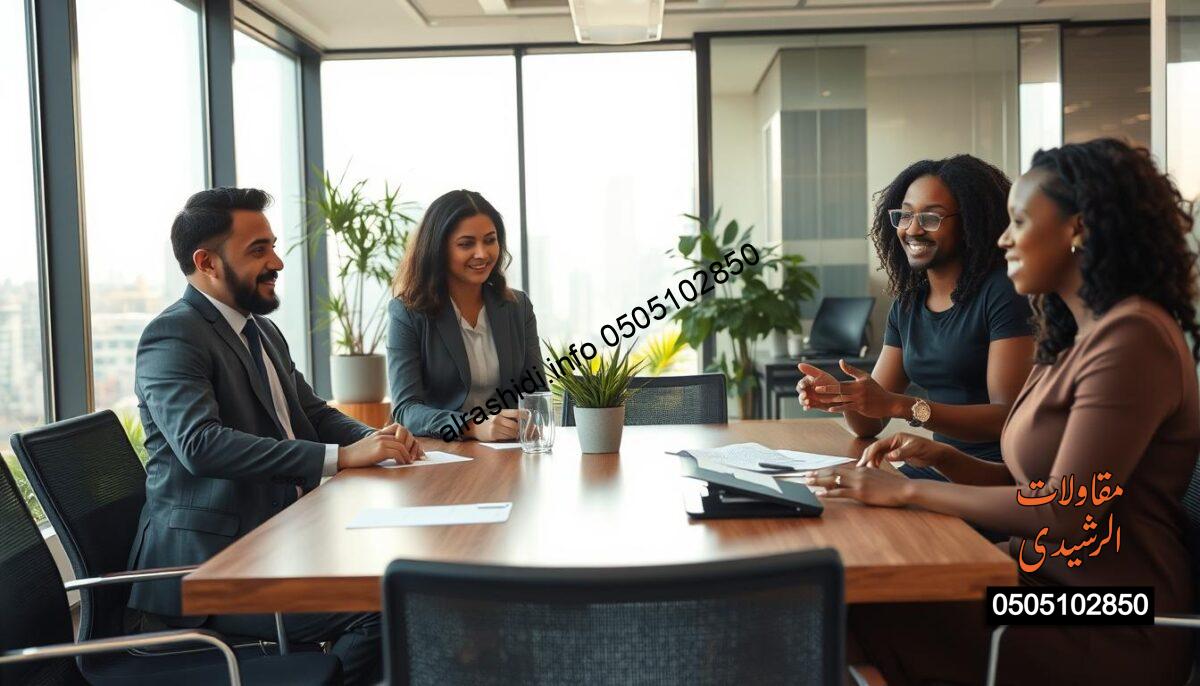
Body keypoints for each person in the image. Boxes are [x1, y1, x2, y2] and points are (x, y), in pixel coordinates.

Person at [807, 139, 1200, 685]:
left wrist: (907, 489)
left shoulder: (1133, 337)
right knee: (848, 608)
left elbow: (1066, 511)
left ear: (1078, 228)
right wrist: (942, 457)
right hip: (1035, 583)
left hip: (1112, 613)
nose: (1002, 238)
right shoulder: (1070, 337)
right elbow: (1026, 482)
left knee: (854, 614)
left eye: (1018, 221)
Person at [127, 188, 423, 685]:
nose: (277, 262)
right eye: (257, 251)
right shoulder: (173, 335)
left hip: (278, 544)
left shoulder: (260, 331)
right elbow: (201, 445)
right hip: (211, 576)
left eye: (272, 245)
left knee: (399, 582)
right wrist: (341, 457)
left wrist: (380, 439)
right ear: (207, 262)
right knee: (390, 606)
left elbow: (311, 412)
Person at [798, 155, 1034, 476]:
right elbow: (870, 423)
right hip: (936, 464)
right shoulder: (909, 304)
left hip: (992, 475)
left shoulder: (1003, 293)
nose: (912, 229)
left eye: (931, 218)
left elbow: (1007, 419)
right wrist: (846, 398)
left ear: (971, 222)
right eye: (905, 215)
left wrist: (903, 406)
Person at [388, 190, 544, 442]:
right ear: (438, 249)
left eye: (490, 240)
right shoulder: (407, 312)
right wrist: (471, 425)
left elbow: (536, 393)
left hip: (508, 453)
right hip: (442, 454)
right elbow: (406, 410)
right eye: (466, 244)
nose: (482, 253)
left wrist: (527, 422)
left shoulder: (518, 306)